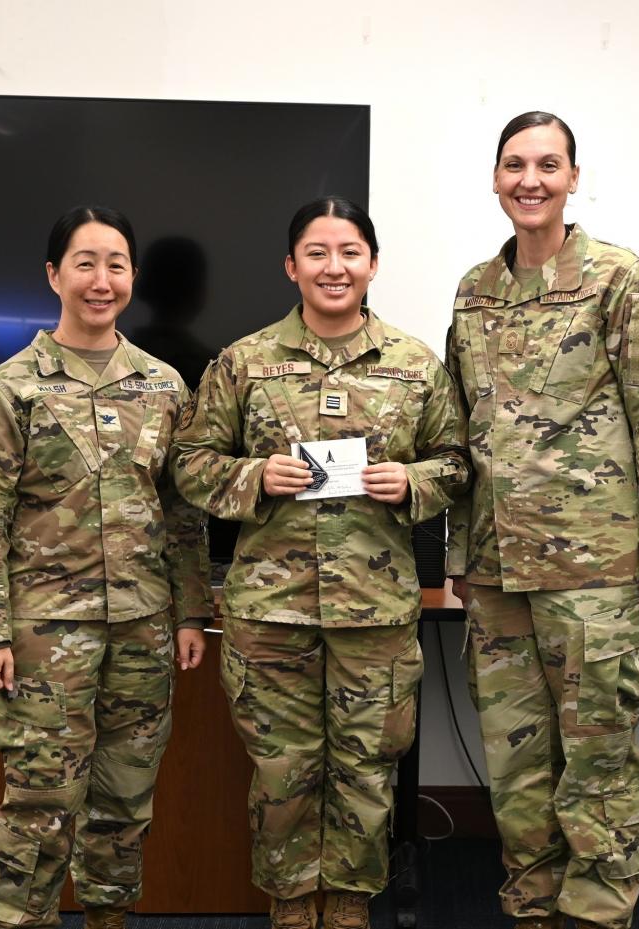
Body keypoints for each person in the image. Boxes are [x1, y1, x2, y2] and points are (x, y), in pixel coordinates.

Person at [171, 197, 470, 929]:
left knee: (367, 769)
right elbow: (188, 463)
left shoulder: (414, 366)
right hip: (272, 615)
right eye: (317, 252)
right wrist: (253, 477)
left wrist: (413, 482)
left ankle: (349, 907)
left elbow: (459, 462)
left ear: (372, 264)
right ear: (291, 266)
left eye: (349, 252)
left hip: (375, 614)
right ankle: (291, 906)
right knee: (283, 772)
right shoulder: (243, 362)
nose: (334, 267)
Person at [446, 112, 639, 929]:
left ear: (573, 179)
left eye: (548, 165)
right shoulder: (474, 291)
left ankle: (595, 915)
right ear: (495, 178)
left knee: (596, 762)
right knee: (516, 764)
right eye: (515, 164)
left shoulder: (618, 278)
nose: (530, 180)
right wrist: (459, 553)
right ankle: (531, 906)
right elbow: (462, 433)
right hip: (496, 573)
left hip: (598, 572)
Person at [0, 205, 213, 929]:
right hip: (43, 636)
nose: (102, 280)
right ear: (54, 275)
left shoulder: (163, 384)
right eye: (86, 263)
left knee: (125, 804)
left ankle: (107, 920)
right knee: (41, 803)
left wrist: (192, 612)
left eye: (116, 265)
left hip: (142, 628)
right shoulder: (13, 386)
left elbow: (182, 513)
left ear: (133, 276)